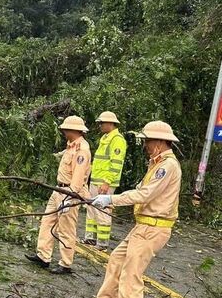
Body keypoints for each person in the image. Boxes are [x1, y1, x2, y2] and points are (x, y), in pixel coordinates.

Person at [92, 121, 181, 298]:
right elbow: (140, 190)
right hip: (143, 226)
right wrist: (111, 200)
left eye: (148, 141)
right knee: (117, 260)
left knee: (130, 276)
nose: (145, 145)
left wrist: (111, 198)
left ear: (160, 141)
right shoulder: (156, 163)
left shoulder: (167, 166)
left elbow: (144, 195)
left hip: (153, 228)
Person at [25, 116, 92, 274]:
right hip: (58, 189)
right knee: (47, 221)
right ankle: (43, 256)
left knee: (66, 229)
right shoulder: (71, 146)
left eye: (66, 129)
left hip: (68, 192)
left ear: (75, 130)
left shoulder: (82, 150)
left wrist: (69, 198)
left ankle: (66, 263)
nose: (63, 132)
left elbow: (78, 176)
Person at [82, 111, 127, 250]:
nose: (100, 125)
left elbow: (116, 164)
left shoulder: (117, 140)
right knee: (91, 208)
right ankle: (90, 238)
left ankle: (102, 243)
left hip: (105, 183)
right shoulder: (105, 138)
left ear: (110, 123)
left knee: (103, 211)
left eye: (102, 123)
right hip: (96, 180)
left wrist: (107, 182)